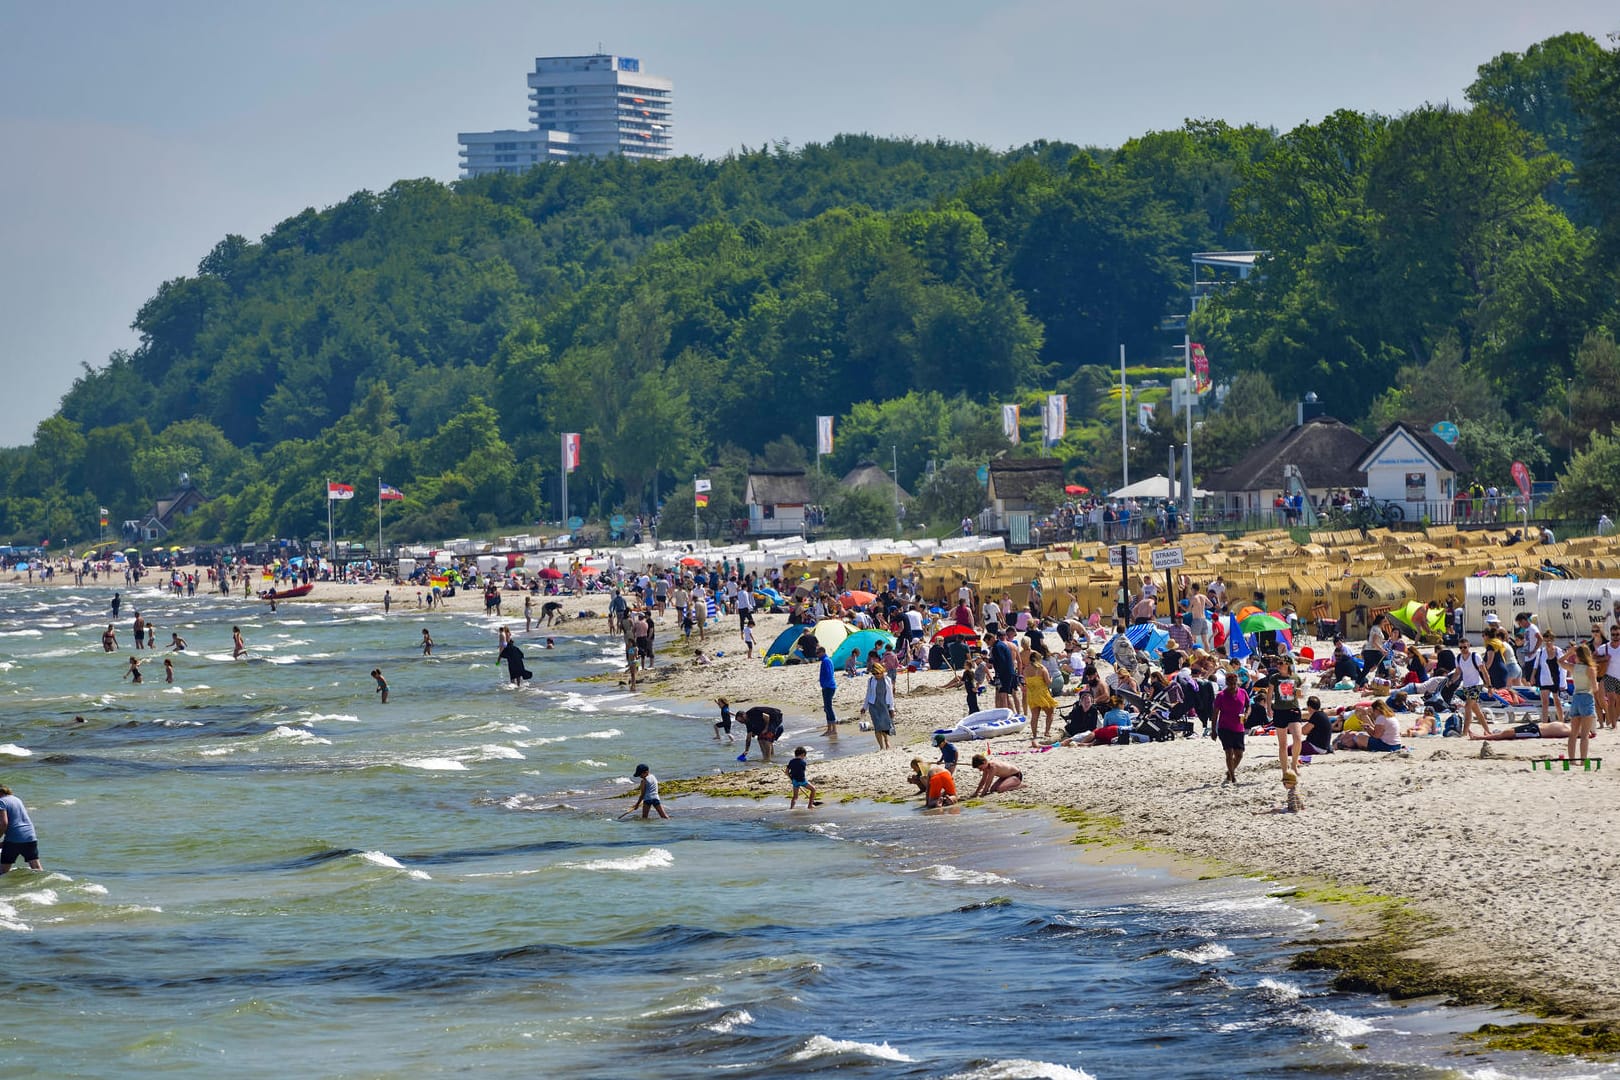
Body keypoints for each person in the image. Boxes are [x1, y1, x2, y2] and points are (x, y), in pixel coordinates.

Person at [1561, 643, 1599, 764]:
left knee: (1573, 734)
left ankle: (1572, 760)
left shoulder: (1574, 667)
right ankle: (1583, 760)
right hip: (1586, 697)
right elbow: (1595, 687)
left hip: (1576, 698)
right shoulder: (1590, 669)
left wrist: (1569, 652)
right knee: (1584, 735)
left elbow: (1560, 661)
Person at [1213, 671, 1248, 784]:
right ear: (1226, 683)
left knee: (1239, 754)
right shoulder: (1221, 696)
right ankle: (1232, 777)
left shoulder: (1243, 693)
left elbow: (1248, 706)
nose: (1232, 686)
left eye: (1234, 683)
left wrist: (1246, 715)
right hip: (1224, 727)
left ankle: (1230, 771)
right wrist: (1213, 730)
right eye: (1230, 684)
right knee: (1229, 752)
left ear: (1237, 683)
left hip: (1239, 727)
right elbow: (1215, 713)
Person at [0, 784, 41, 873]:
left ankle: (5, 887)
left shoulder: (1, 802)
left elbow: (4, 823)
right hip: (30, 836)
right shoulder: (16, 799)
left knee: (3, 871)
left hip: (14, 839)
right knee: (37, 868)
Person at [860, 658, 897, 749]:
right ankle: (881, 747)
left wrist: (892, 708)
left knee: (884, 725)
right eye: (874, 673)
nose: (876, 675)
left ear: (881, 671)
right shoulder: (871, 680)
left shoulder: (887, 680)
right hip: (873, 705)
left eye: (877, 673)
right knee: (877, 726)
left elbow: (890, 695)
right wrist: (864, 707)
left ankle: (886, 741)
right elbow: (868, 693)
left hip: (884, 705)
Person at [817, 646, 838, 736]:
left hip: (829, 687)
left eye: (818, 653)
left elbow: (829, 674)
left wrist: (825, 684)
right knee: (826, 708)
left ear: (822, 652)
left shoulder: (826, 661)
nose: (817, 655)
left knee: (828, 707)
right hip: (826, 686)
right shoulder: (824, 661)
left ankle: (834, 729)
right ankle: (829, 728)